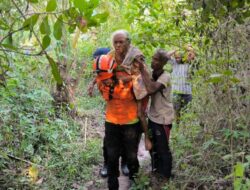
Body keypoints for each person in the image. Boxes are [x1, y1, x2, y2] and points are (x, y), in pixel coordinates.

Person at [94, 30, 143, 190]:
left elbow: (142, 85)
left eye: (121, 42)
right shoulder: (107, 63)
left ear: (128, 42)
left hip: (131, 119)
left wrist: (128, 78)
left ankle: (135, 182)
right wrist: (109, 82)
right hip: (112, 119)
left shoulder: (136, 62)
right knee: (112, 155)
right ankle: (112, 185)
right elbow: (101, 81)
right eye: (115, 42)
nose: (118, 45)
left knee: (131, 155)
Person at [88, 47, 129, 178]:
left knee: (125, 140)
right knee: (108, 141)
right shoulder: (103, 71)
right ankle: (107, 164)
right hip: (112, 113)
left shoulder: (120, 68)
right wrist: (93, 83)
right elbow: (100, 75)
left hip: (127, 111)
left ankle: (124, 163)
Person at [138, 49, 174, 186]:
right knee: (153, 147)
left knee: (163, 148)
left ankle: (165, 176)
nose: (153, 61)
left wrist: (142, 69)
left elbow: (151, 88)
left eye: (157, 60)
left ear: (164, 63)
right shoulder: (154, 73)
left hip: (163, 118)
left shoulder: (166, 76)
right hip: (153, 116)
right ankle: (156, 170)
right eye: (152, 58)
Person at [171, 46, 195, 124]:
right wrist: (174, 50)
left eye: (179, 57)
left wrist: (188, 50)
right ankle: (177, 128)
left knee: (187, 113)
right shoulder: (174, 63)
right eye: (176, 57)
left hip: (187, 93)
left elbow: (193, 56)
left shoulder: (190, 64)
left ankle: (185, 129)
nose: (177, 59)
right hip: (176, 92)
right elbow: (166, 56)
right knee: (176, 113)